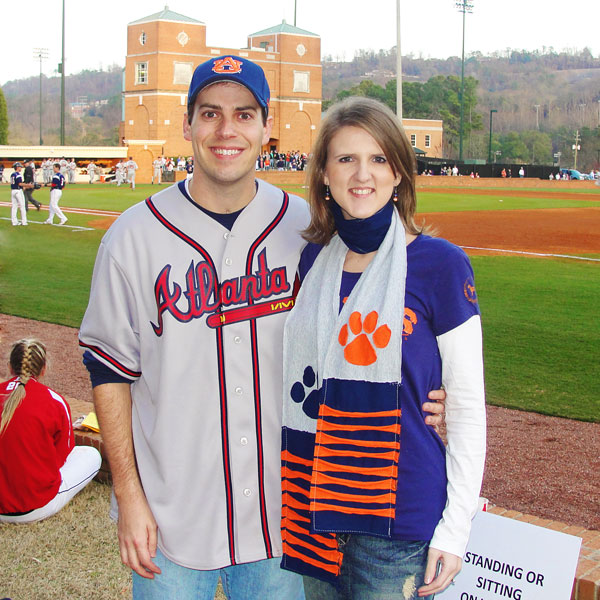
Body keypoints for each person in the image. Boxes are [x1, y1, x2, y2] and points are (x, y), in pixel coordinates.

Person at [78, 56, 446, 600]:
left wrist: (435, 403)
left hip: (285, 522)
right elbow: (109, 371)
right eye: (210, 114)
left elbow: (378, 326)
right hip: (169, 520)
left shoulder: (311, 231)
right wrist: (128, 497)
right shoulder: (132, 238)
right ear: (187, 125)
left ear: (266, 129)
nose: (227, 131)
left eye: (244, 115)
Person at [280, 97, 486, 600]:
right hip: (314, 507)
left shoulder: (441, 265)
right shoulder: (310, 261)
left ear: (399, 173)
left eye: (377, 159)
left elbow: (465, 408)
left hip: (399, 520)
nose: (361, 174)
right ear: (324, 174)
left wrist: (455, 531)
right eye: (345, 158)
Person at [0, 339, 101, 523]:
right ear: (43, 369)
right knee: (91, 455)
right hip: (34, 507)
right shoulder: (54, 401)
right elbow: (62, 458)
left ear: (9, 366)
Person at [10, 162, 28, 226]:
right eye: (20, 167)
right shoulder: (18, 175)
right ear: (17, 167)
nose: (21, 168)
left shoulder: (12, 174)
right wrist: (27, 185)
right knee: (22, 206)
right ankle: (24, 221)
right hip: (18, 191)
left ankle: (14, 222)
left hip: (13, 191)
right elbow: (20, 183)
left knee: (14, 207)